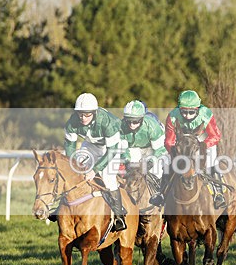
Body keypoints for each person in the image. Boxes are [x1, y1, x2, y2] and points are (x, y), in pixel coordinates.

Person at [64, 92, 127, 231]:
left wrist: (94, 170)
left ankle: (119, 216)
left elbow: (111, 151)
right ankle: (62, 206)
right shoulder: (72, 122)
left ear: (94, 112)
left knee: (108, 178)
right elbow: (69, 146)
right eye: (80, 114)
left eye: (87, 114)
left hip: (111, 148)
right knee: (76, 170)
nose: (83, 118)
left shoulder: (107, 122)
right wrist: (71, 165)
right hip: (91, 145)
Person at [155, 89, 226, 209]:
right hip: (182, 141)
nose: (187, 116)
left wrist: (202, 146)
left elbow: (215, 136)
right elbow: (169, 141)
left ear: (197, 109)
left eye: (191, 112)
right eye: (184, 112)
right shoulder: (172, 116)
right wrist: (175, 154)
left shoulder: (206, 114)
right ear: (179, 109)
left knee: (211, 162)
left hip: (202, 139)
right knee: (166, 162)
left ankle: (218, 193)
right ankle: (161, 193)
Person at [119, 100, 169, 204]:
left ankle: (161, 195)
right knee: (132, 171)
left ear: (142, 118)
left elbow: (159, 150)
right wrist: (127, 162)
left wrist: (150, 163)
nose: (131, 125)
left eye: (135, 121)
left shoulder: (152, 126)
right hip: (134, 149)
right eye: (129, 121)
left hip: (152, 148)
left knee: (157, 171)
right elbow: (124, 149)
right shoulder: (121, 126)